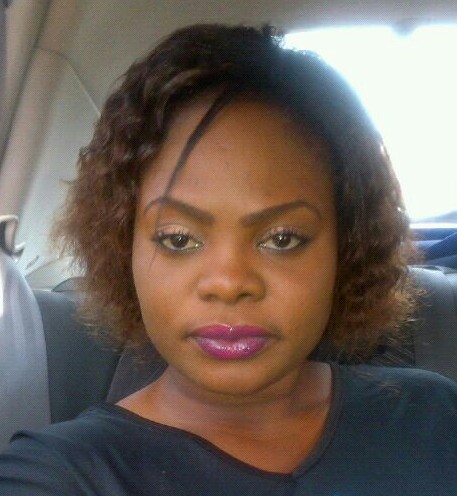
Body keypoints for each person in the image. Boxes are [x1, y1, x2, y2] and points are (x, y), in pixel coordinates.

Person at [0, 24, 455, 495]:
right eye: (179, 239)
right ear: (122, 250)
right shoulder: (60, 474)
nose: (229, 282)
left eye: (282, 238)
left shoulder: (434, 415)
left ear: (346, 250)